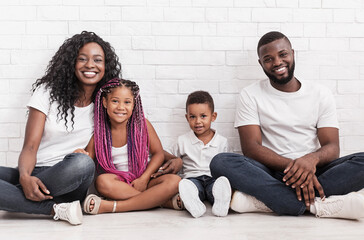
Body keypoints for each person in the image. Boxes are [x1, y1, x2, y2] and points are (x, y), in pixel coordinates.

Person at [210, 31, 364, 220]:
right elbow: (251, 148)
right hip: (269, 171)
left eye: (283, 54)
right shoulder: (250, 94)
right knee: (220, 162)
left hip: (314, 170)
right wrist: (296, 169)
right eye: (268, 59)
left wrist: (310, 161)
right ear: (260, 63)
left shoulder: (320, 93)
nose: (277, 62)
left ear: (292, 53)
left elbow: (332, 147)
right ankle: (317, 205)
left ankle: (271, 201)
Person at [0, 31, 121, 225]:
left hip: (70, 177)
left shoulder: (107, 102)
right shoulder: (47, 93)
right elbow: (30, 147)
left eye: (97, 60)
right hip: (36, 172)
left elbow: (137, 130)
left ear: (105, 66)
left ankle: (13, 196)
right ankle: (56, 208)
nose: (90, 65)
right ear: (71, 63)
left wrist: (167, 158)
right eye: (82, 59)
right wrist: (24, 177)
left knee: (83, 163)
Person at [79, 78, 181, 214]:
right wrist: (80, 154)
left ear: (134, 105)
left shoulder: (142, 125)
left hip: (145, 180)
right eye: (115, 101)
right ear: (104, 102)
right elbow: (87, 160)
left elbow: (158, 154)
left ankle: (111, 206)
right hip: (120, 184)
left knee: (175, 181)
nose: (121, 107)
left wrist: (144, 179)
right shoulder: (99, 134)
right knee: (102, 181)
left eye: (127, 102)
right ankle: (161, 201)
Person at [165, 91, 231, 218]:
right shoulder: (182, 140)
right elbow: (169, 156)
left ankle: (220, 203)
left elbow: (228, 164)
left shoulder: (222, 141)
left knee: (217, 188)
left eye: (203, 116)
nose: (198, 121)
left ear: (213, 116)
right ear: (187, 117)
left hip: (213, 178)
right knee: (190, 188)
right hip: (192, 178)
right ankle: (194, 204)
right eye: (193, 117)